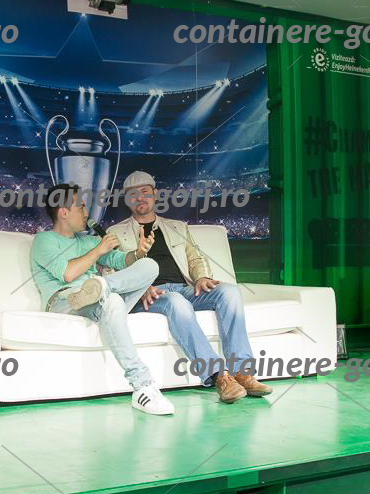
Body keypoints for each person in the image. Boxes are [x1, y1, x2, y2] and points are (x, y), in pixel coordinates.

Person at [107, 171, 272, 404]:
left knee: (230, 292)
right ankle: (218, 376)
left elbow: (195, 258)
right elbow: (110, 270)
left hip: (184, 288)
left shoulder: (176, 227)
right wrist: (139, 288)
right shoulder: (115, 233)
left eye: (145, 192)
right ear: (126, 199)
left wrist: (201, 277)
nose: (140, 198)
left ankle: (241, 372)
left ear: (155, 194)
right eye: (133, 194)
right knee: (177, 302)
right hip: (149, 295)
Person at [29, 183, 173, 416]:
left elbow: (120, 261)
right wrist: (98, 250)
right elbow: (67, 274)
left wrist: (138, 252)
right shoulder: (44, 240)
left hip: (100, 297)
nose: (86, 213)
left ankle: (104, 286)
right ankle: (142, 386)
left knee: (149, 266)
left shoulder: (88, 241)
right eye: (81, 207)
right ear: (63, 212)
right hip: (66, 300)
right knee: (113, 301)